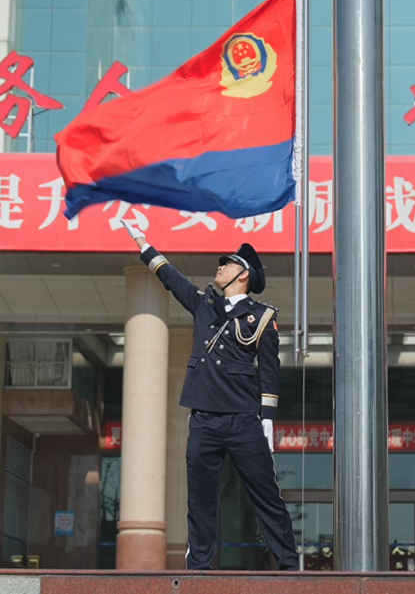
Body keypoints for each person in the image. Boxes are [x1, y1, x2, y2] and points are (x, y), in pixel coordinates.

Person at [122, 221, 299, 571]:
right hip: (204, 418)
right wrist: (145, 245)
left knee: (266, 497)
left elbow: (269, 370)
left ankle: (290, 565)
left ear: (243, 275)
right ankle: (200, 568)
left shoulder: (262, 318)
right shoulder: (205, 305)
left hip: (243, 420)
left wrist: (266, 419)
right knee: (200, 499)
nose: (220, 266)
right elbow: (173, 280)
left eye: (228, 263)